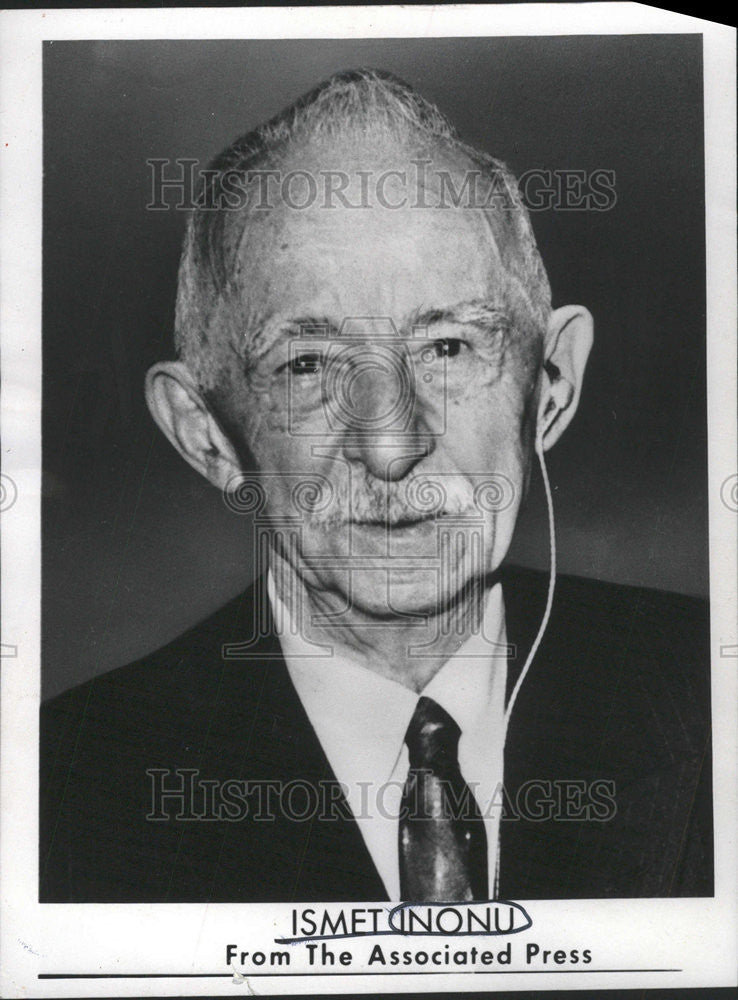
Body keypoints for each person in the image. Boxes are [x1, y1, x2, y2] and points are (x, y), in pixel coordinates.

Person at [40, 69, 712, 903]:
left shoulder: (711, 690)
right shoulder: (59, 795)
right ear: (207, 435)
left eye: (448, 348)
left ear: (552, 387)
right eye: (308, 366)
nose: (391, 448)